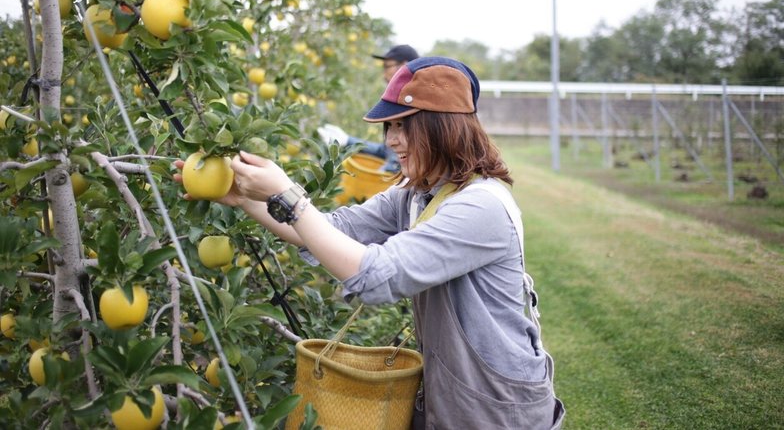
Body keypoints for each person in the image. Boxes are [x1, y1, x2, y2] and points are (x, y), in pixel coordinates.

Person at [175, 57, 565, 429]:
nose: (392, 141)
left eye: (403, 126)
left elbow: (374, 277)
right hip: (452, 395)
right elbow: (326, 229)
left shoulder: (480, 207)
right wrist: (243, 197)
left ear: (442, 127)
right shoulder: (417, 195)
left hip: (496, 408)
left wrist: (287, 194)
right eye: (388, 129)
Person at [317, 44, 419, 173]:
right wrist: (349, 141)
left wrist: (384, 175)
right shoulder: (397, 101)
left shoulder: (414, 105)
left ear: (404, 66)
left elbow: (404, 160)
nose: (384, 74)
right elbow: (387, 150)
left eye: (387, 67)